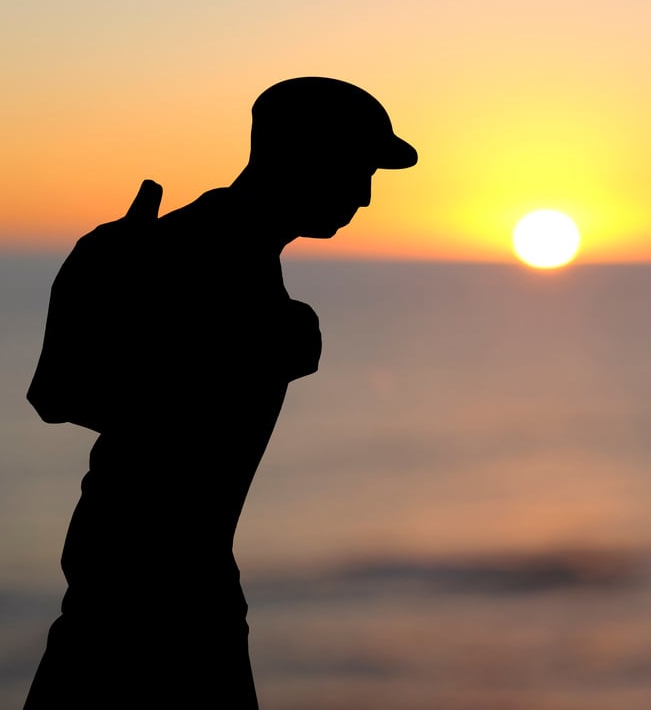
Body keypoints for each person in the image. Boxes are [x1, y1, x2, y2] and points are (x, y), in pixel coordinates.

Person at [24, 77, 418, 709]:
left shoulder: (222, 258)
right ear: (301, 157)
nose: (366, 196)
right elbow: (62, 394)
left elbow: (78, 395)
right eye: (357, 169)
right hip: (150, 598)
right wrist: (93, 278)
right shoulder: (200, 258)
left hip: (151, 583)